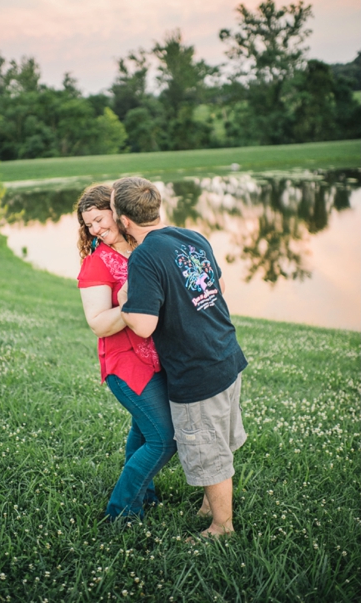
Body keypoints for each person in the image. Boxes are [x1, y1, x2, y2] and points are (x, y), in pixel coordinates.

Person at [111, 176, 248, 538]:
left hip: (196, 370)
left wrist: (125, 299)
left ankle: (222, 526)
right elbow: (215, 288)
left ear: (125, 221)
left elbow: (143, 325)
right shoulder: (192, 236)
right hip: (226, 353)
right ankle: (208, 503)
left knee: (208, 450)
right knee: (218, 437)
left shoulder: (143, 256)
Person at [75, 184, 177, 521]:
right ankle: (121, 511)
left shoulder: (145, 248)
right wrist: (130, 304)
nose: (96, 229)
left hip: (159, 358)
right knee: (163, 439)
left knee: (144, 431)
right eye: (89, 224)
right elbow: (98, 324)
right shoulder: (96, 264)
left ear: (121, 215)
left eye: (100, 219)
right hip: (127, 366)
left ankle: (144, 494)